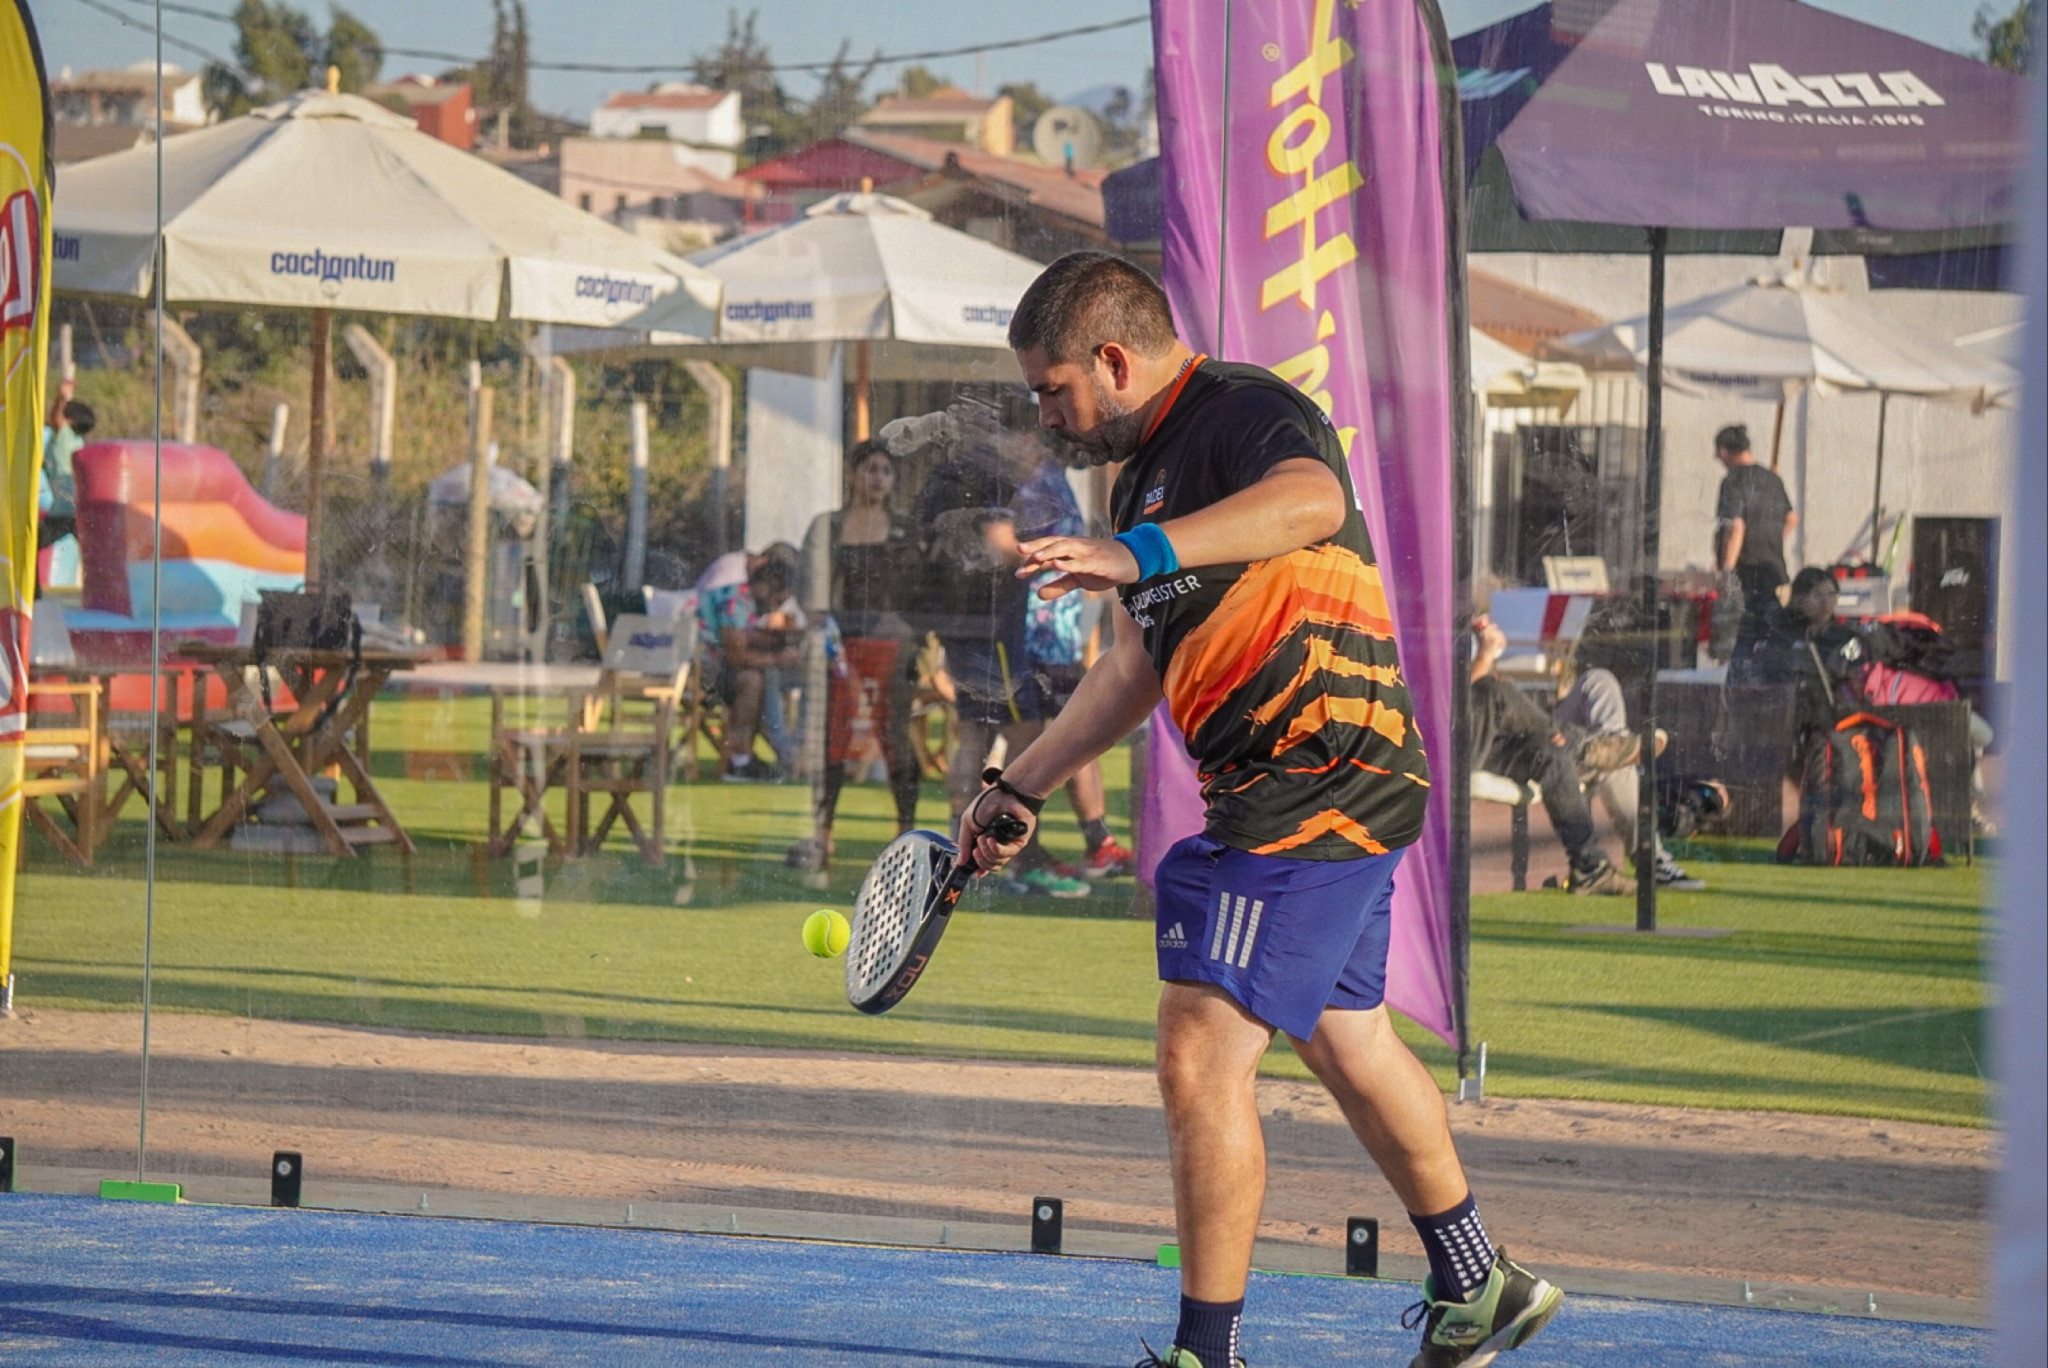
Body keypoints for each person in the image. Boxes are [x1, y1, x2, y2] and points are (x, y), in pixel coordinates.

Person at [959, 251, 1560, 1368]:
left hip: (1314, 774)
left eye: (1053, 390)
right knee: (1346, 1038)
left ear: (1113, 359)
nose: (1045, 416)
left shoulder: (1243, 411)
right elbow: (1135, 666)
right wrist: (1019, 785)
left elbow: (1312, 501)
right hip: (1311, 785)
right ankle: (1480, 1282)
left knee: (1197, 1050)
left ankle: (1208, 1354)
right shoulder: (1135, 482)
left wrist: (1134, 550)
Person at [905, 394, 1088, 898]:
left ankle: (957, 849)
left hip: (966, 623)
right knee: (1026, 735)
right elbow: (997, 541)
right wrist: (1060, 554)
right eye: (1029, 438)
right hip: (990, 626)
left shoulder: (954, 470)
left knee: (975, 733)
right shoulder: (983, 474)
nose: (1035, 449)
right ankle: (1021, 853)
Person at [792, 442, 924, 869]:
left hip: (892, 646)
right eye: (870, 469)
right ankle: (822, 832)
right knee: (833, 740)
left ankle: (905, 831)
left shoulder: (904, 529)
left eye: (886, 470)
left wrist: (919, 639)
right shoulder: (829, 526)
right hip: (841, 646)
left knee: (896, 738)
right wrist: (818, 621)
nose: (878, 478)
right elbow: (809, 585)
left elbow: (920, 591)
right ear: (852, 474)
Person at [1013, 436, 1133, 880]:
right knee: (1038, 739)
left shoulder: (1053, 478)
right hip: (1033, 637)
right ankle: (1029, 850)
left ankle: (1096, 841)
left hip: (1058, 637)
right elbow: (1017, 548)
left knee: (1080, 733)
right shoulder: (1033, 482)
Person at [1469, 618, 1630, 896]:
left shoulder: (1457, 623)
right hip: (1443, 750)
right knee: (1495, 690)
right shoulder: (1417, 627)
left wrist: (1482, 649)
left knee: (1552, 755)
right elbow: (1466, 696)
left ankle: (1590, 868)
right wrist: (1485, 653)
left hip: (1483, 743)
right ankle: (1584, 745)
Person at [1551, 660, 1706, 891]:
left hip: (1546, 731)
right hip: (1521, 747)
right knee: (1617, 764)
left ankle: (1614, 741)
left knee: (1598, 678)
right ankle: (1652, 862)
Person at [696, 545, 801, 782]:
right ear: (764, 586)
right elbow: (736, 656)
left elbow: (745, 637)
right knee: (752, 680)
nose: (775, 608)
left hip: (714, 668)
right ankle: (740, 761)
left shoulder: (745, 598)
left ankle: (774, 752)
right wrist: (777, 658)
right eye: (777, 600)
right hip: (701, 674)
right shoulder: (734, 599)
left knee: (762, 675)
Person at [1710, 424, 1796, 666]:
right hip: (1775, 572)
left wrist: (1727, 570)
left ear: (1724, 452)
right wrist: (1772, 540)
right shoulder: (1773, 479)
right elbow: (1791, 519)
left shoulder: (1733, 480)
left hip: (1745, 575)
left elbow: (1736, 527)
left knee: (1734, 644)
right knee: (1767, 641)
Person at [39, 379, 93, 546]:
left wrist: (61, 397)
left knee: (30, 545)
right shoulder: (77, 441)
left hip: (63, 510)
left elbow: (56, 417)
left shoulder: (64, 436)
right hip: (76, 507)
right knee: (90, 547)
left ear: (69, 421)